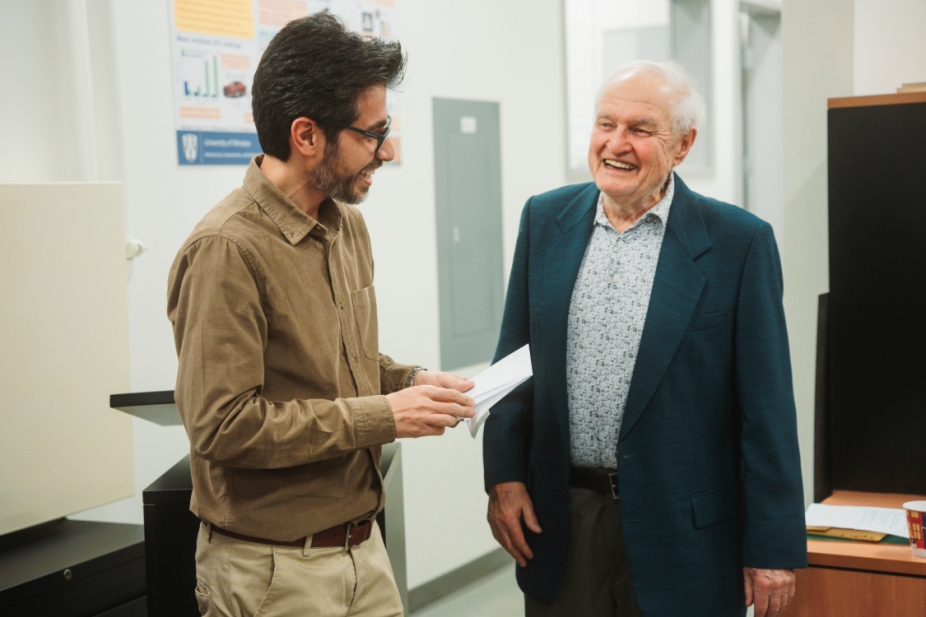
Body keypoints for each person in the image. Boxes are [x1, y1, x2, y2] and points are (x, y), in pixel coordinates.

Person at [168, 13, 474, 617]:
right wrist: (381, 416)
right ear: (307, 136)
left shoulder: (346, 227)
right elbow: (222, 427)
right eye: (372, 133)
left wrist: (408, 383)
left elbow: (340, 361)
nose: (385, 151)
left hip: (364, 550)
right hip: (270, 572)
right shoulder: (226, 249)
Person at [483, 60, 806, 617]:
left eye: (640, 130)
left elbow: (767, 412)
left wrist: (772, 548)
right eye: (606, 124)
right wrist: (504, 479)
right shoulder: (545, 220)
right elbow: (514, 366)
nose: (617, 144)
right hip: (565, 522)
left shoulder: (739, 244)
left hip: (686, 536)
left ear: (683, 146)